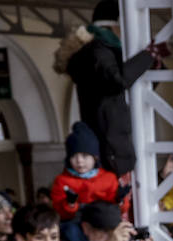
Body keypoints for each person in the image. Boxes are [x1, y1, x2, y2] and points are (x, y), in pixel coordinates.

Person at [55, 0, 156, 178]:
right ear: (116, 26)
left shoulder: (92, 53)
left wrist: (148, 64)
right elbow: (117, 81)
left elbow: (126, 86)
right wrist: (148, 56)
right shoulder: (99, 50)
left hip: (110, 148)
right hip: (113, 150)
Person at [51, 122, 121, 225]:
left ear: (95, 157)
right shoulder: (62, 181)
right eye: (74, 156)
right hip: (75, 223)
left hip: (105, 222)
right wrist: (70, 204)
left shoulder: (109, 178)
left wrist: (121, 200)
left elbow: (118, 210)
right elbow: (59, 212)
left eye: (84, 156)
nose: (79, 161)